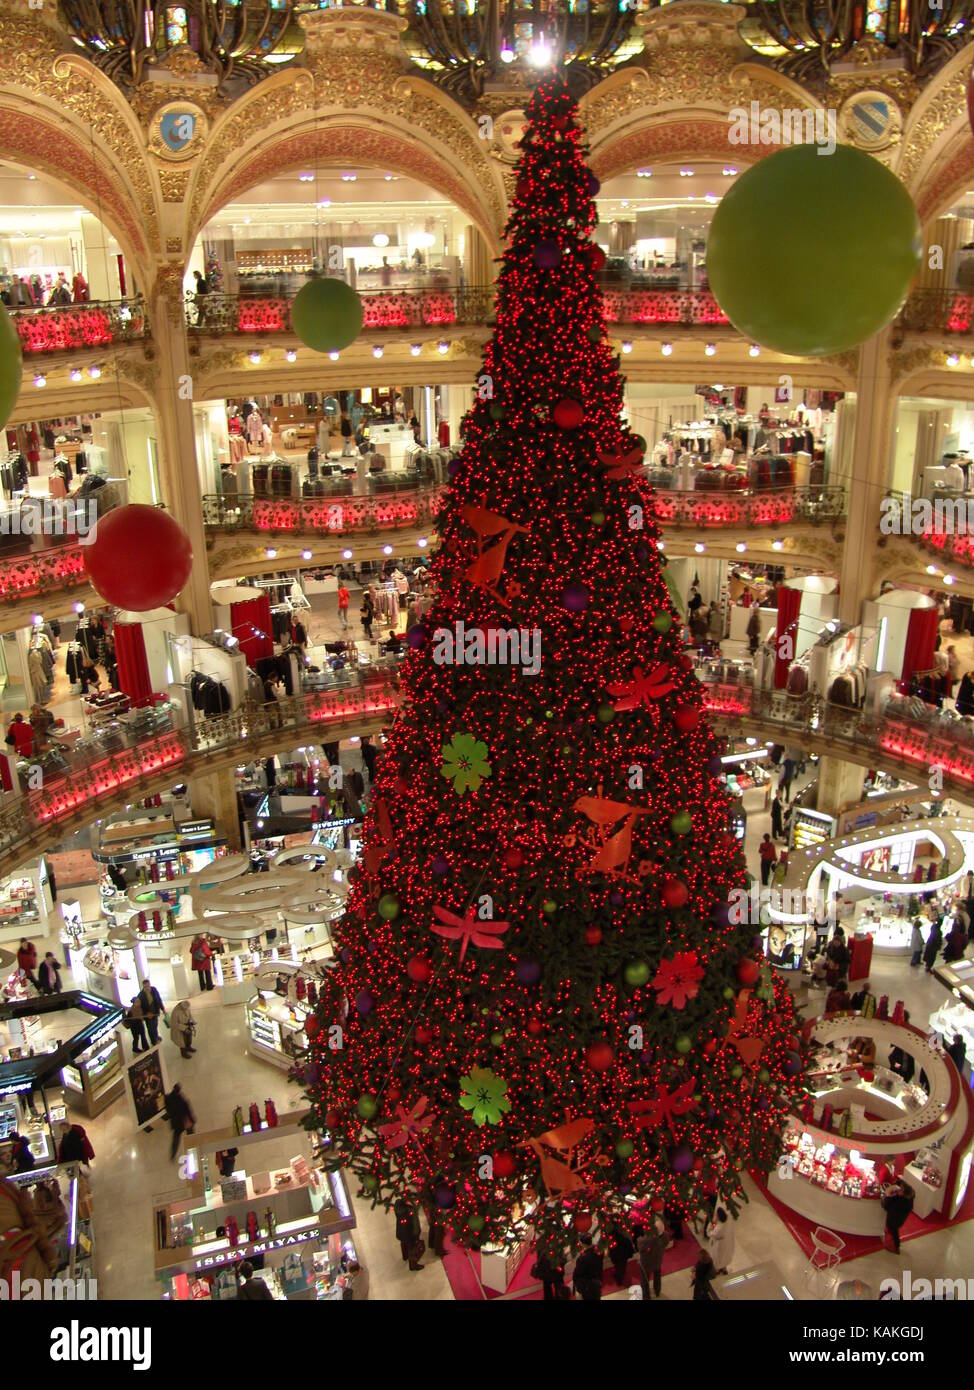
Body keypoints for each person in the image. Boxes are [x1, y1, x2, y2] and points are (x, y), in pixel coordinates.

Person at [636, 1215, 668, 1300]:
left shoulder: (648, 1239)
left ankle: (646, 1297)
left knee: (645, 1280)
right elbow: (666, 1243)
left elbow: (640, 1245)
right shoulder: (666, 1235)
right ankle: (657, 1291)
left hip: (647, 1263)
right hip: (658, 1260)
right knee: (657, 1275)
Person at [164, 1082, 195, 1162]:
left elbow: (168, 1111)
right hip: (184, 1122)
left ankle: (173, 1155)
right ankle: (192, 1151)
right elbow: (188, 1111)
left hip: (176, 1123)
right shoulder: (182, 1100)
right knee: (191, 1137)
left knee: (176, 1140)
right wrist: (192, 1120)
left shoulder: (167, 1098)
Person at [881, 1179, 913, 1254]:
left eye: (901, 1190)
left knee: (893, 1231)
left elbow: (888, 1206)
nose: (899, 1190)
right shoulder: (908, 1198)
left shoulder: (901, 1202)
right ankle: (895, 1245)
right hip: (899, 1218)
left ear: (904, 1193)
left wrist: (888, 1196)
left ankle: (895, 1247)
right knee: (894, 1230)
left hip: (895, 1220)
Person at [393, 1196, 423, 1270]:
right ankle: (413, 1265)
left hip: (401, 1231)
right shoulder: (410, 1210)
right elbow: (415, 1223)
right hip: (410, 1233)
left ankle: (405, 1256)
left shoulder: (398, 1205)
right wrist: (417, 1233)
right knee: (412, 1248)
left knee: (404, 1243)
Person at [572, 1234, 604, 1301]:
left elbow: (577, 1274)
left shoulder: (582, 1259)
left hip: (588, 1287)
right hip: (598, 1282)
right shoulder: (599, 1252)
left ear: (583, 1244)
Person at [135, 978, 166, 1047]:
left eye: (148, 986)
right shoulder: (141, 996)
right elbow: (140, 1008)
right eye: (145, 987)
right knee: (150, 1028)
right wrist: (146, 1014)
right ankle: (153, 1041)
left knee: (155, 1025)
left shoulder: (154, 990)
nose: (147, 988)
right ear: (143, 987)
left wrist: (163, 1009)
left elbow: (158, 999)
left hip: (155, 1012)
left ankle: (156, 1036)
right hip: (148, 1015)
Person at [705, 1207, 735, 1275]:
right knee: (725, 1254)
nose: (715, 1216)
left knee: (717, 1257)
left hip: (719, 1244)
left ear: (718, 1217)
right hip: (726, 1241)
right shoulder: (728, 1219)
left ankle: (716, 1270)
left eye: (716, 1215)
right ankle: (724, 1268)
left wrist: (712, 1222)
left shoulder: (719, 1228)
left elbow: (708, 1233)